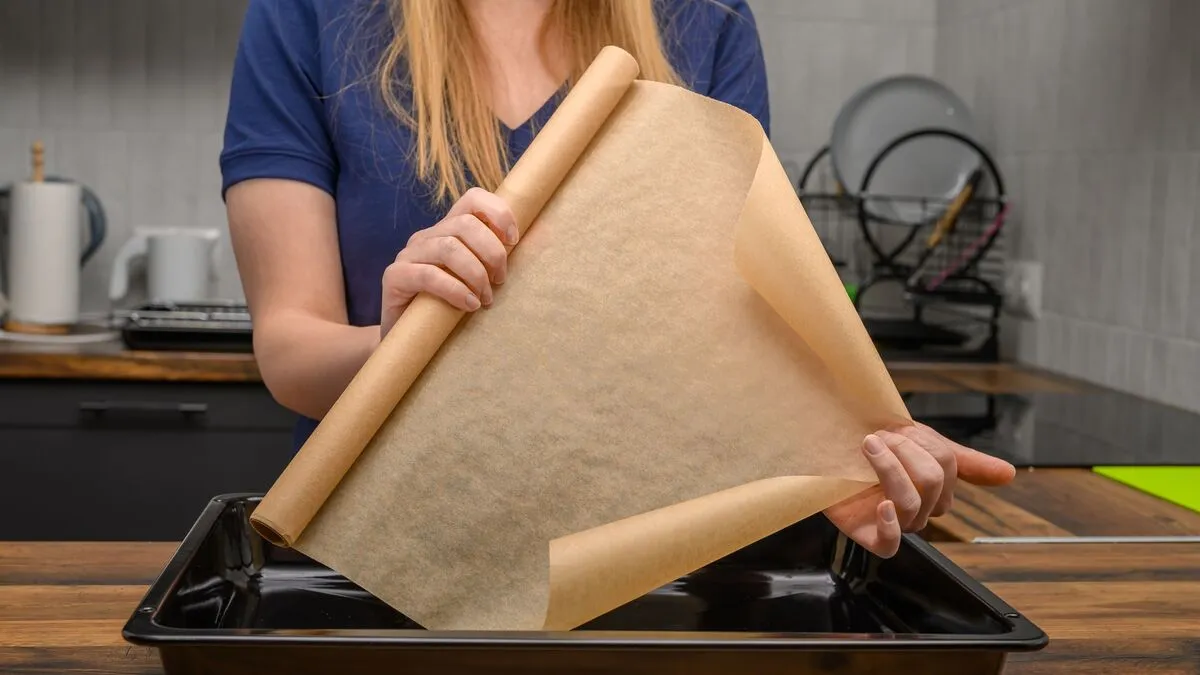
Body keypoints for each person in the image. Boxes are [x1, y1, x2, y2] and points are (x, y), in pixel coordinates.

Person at [220, 0, 1016, 559]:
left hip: (639, 558)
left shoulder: (708, 20)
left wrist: (824, 459)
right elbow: (292, 351)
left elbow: (722, 331)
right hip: (377, 552)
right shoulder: (308, 14)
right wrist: (402, 345)